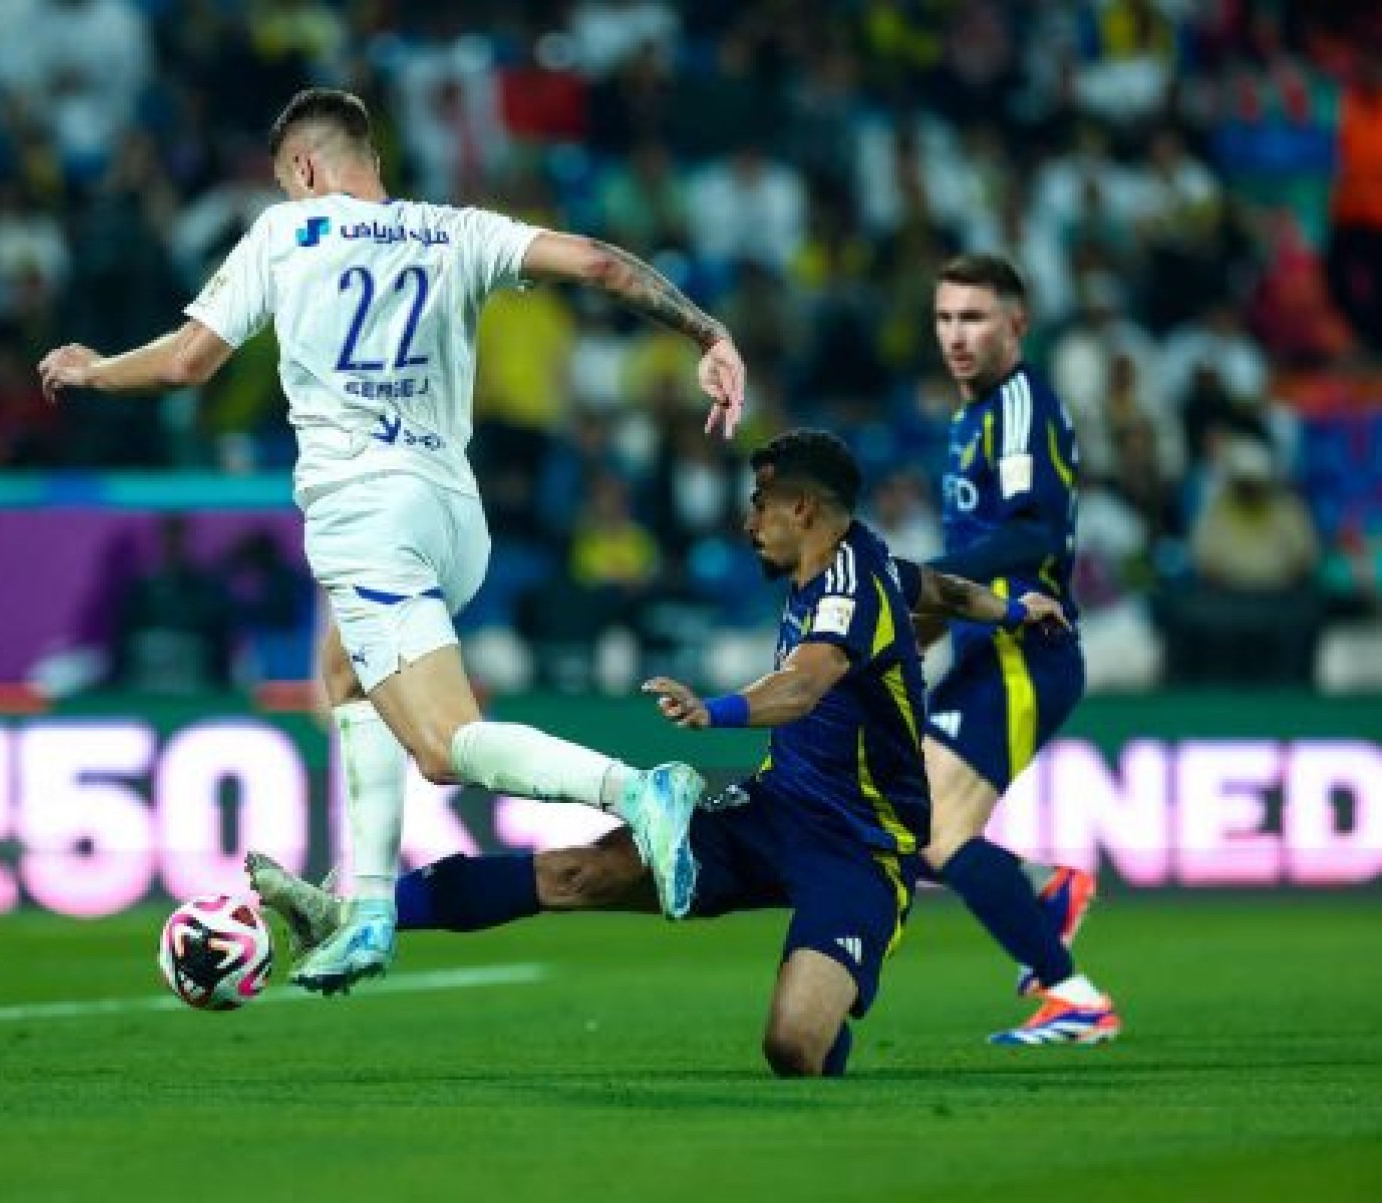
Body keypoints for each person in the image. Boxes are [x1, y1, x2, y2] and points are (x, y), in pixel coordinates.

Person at [38, 88, 748, 994]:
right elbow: (602, 267)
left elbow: (186, 362)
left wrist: (96, 370)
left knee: (446, 747)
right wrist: (709, 331)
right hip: (454, 514)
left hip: (367, 514)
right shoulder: (456, 230)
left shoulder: (285, 234)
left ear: (300, 168)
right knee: (344, 672)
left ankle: (636, 789)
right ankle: (367, 905)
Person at [250, 430, 1072, 1076]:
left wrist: (711, 710)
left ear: (809, 512)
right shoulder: (874, 564)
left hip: (862, 851)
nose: (749, 521)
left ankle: (824, 1017)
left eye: (762, 505)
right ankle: (369, 909)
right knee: (577, 872)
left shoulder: (852, 589)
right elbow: (942, 588)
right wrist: (1012, 608)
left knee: (791, 1047)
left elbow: (802, 687)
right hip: (773, 809)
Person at [926, 252, 1119, 1044]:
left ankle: (1076, 999)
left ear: (1017, 323)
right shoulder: (971, 414)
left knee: (938, 833)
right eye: (944, 318)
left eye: (974, 317)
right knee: (906, 822)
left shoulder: (1016, 406)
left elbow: (1032, 529)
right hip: (986, 649)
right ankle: (1047, 886)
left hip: (1021, 650)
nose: (956, 335)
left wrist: (925, 582)